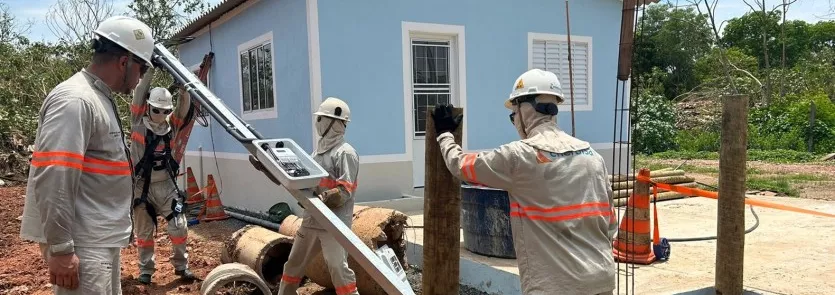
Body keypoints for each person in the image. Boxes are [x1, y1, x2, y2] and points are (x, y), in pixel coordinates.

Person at [430, 69, 618, 295]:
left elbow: (461, 164)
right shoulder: (592, 157)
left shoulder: (520, 157)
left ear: (523, 109)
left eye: (513, 115)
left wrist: (444, 134)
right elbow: (610, 225)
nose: (515, 122)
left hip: (556, 287)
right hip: (602, 279)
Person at [18, 15, 155, 294]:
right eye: (141, 68)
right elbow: (55, 175)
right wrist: (61, 249)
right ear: (124, 61)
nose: (140, 78)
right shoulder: (76, 100)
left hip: (98, 240)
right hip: (83, 244)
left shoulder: (97, 97)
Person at [250, 97, 360, 295]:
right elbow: (295, 183)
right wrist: (267, 168)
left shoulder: (346, 153)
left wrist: (322, 199)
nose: (318, 123)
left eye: (321, 119)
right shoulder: (316, 154)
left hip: (333, 225)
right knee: (293, 266)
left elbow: (345, 192)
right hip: (311, 221)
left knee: (338, 269)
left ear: (333, 123)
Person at [129, 67, 198, 284]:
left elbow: (182, 111)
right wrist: (148, 71)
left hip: (167, 186)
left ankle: (181, 267)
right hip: (142, 187)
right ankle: (146, 271)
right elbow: (139, 91)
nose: (160, 115)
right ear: (148, 107)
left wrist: (184, 91)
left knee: (179, 226)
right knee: (145, 233)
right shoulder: (138, 122)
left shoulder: (172, 127)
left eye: (164, 111)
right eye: (156, 110)